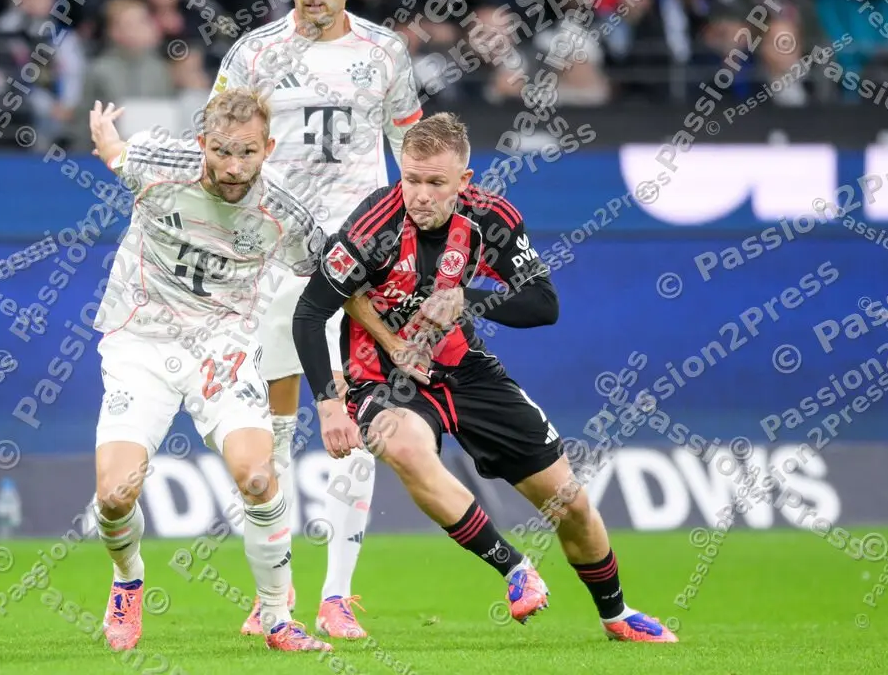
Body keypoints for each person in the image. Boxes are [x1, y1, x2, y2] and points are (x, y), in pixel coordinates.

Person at [291, 112, 680, 644]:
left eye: (435, 183)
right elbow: (310, 313)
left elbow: (544, 305)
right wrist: (328, 405)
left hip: (465, 370)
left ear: (464, 182)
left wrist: (468, 298)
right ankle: (515, 568)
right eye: (410, 179)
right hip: (381, 378)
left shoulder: (491, 218)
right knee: (402, 446)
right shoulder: (371, 226)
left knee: (568, 502)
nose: (420, 195)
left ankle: (616, 614)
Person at [208, 0, 423, 640]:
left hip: (357, 261)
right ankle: (276, 596)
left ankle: (337, 594)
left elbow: (414, 151)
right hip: (274, 262)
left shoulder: (384, 52)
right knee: (274, 431)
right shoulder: (253, 54)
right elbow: (220, 149)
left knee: (355, 422)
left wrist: (416, 244)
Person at [85, 89, 334, 653]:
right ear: (202, 144)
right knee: (114, 494)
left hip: (222, 347)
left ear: (268, 147)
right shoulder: (155, 163)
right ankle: (127, 581)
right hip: (140, 340)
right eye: (221, 151)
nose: (234, 166)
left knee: (257, 476)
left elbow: (333, 274)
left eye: (248, 152)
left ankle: (277, 619)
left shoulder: (285, 213)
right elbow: (117, 154)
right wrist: (106, 138)